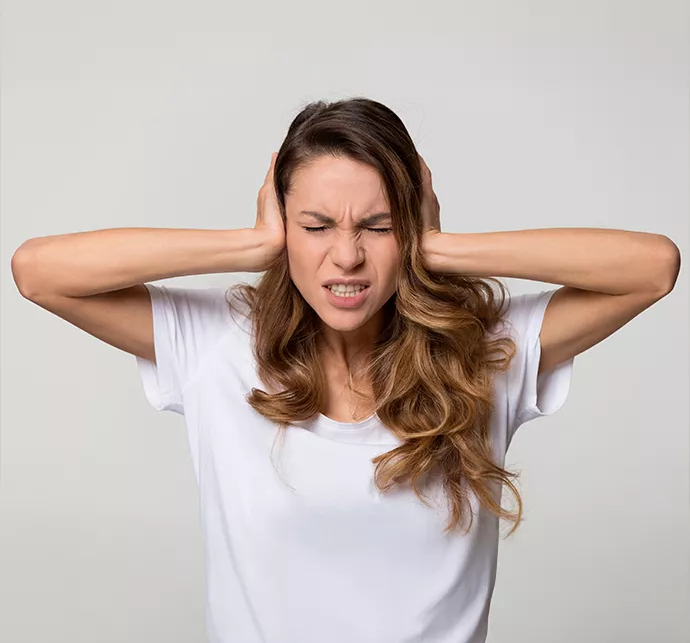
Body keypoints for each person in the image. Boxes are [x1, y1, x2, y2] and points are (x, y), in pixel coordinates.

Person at [11, 97, 679, 643]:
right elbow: (38, 273)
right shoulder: (218, 344)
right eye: (317, 225)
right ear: (285, 228)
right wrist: (253, 244)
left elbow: (652, 269)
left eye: (378, 226)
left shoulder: (476, 353)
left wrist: (437, 246)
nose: (348, 256)